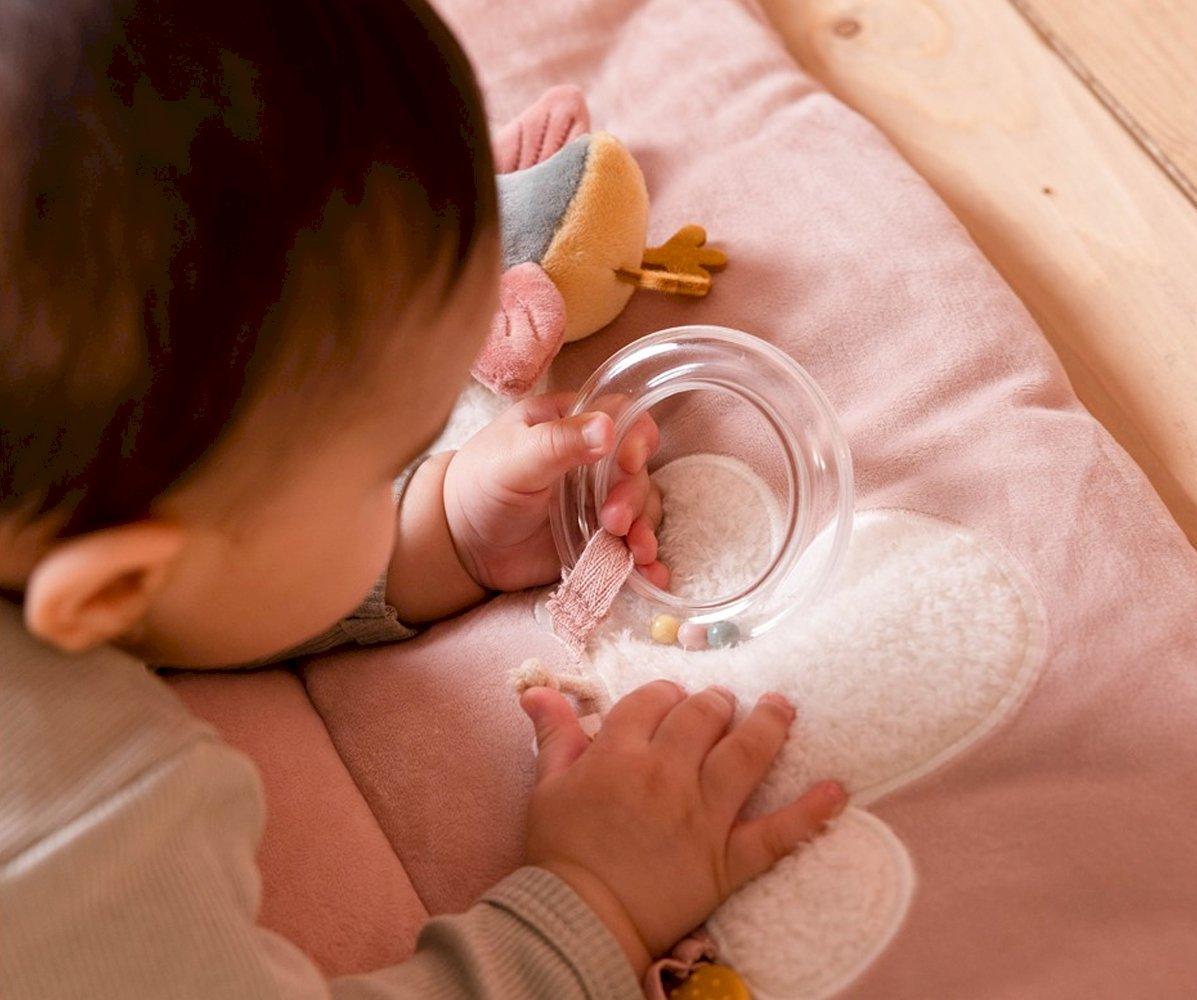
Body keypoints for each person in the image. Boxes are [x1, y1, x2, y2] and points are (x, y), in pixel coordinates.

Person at [0, 2, 847, 996]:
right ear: (112, 586)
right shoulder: (79, 823)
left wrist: (435, 534)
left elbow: (156, 582)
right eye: (381, 467)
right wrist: (595, 905)